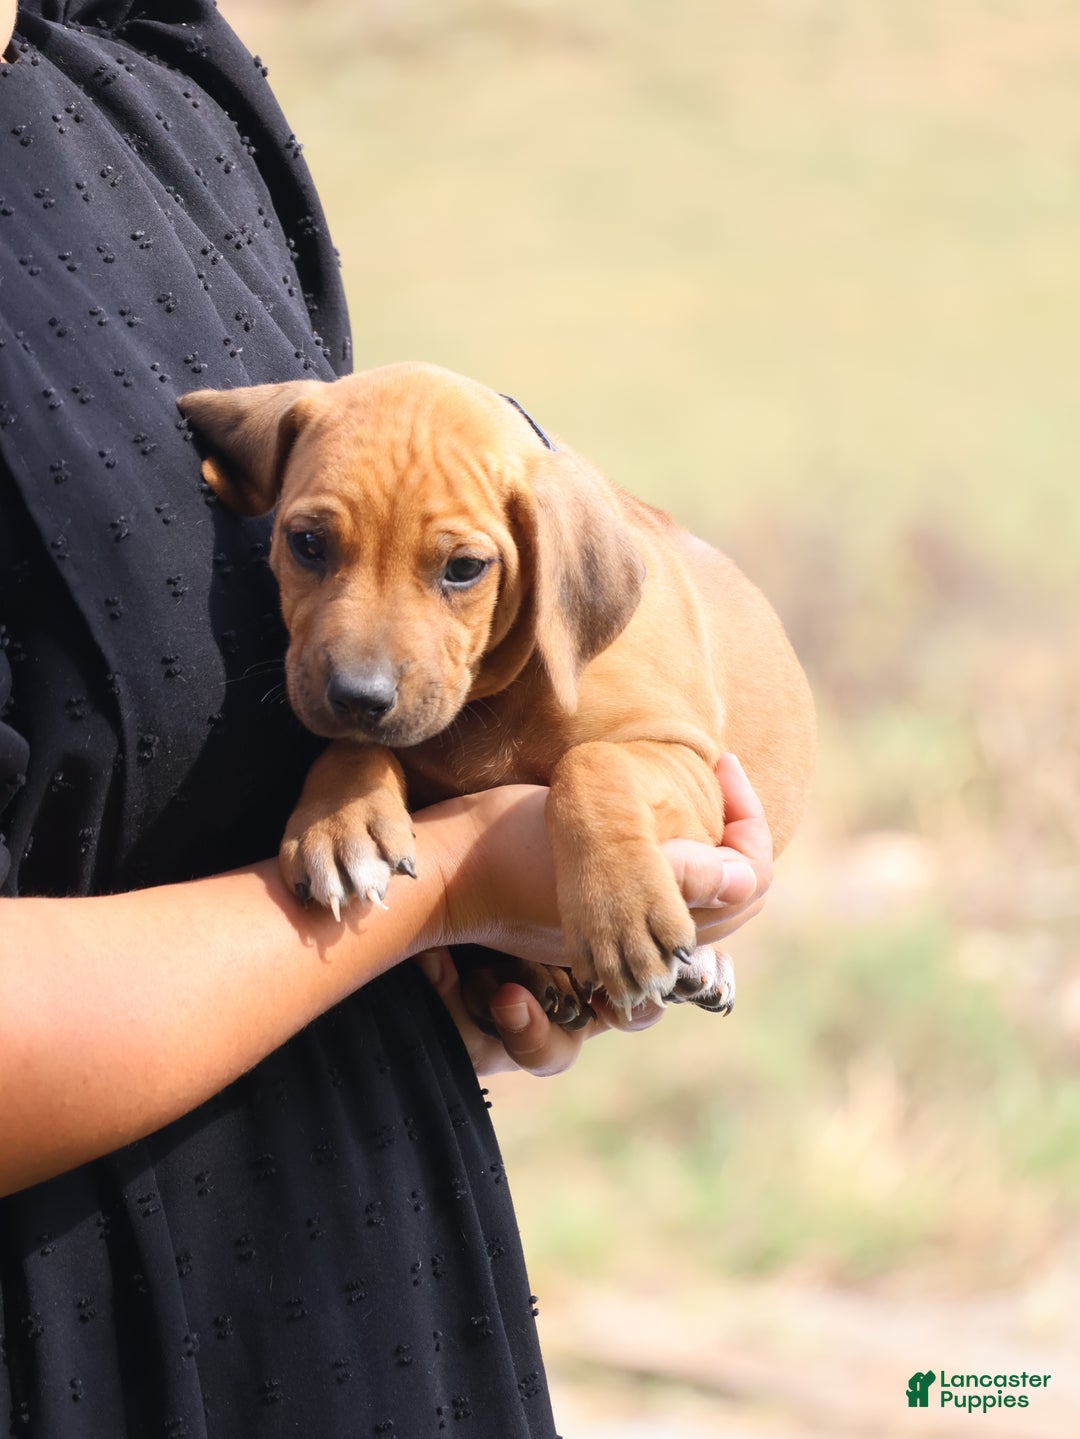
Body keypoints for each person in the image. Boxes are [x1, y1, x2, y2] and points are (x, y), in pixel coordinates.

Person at [0, 2, 773, 1434]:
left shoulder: (152, 58)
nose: (361, 656)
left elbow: (661, 747)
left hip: (375, 1269)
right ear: (260, 489)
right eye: (311, 549)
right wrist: (447, 879)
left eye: (455, 573)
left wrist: (570, 889)